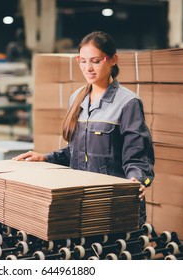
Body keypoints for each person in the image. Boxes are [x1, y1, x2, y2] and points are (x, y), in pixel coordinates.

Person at [12, 31, 155, 226]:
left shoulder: (128, 102)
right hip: (82, 199)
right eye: (83, 61)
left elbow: (139, 156)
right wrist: (45, 158)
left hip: (114, 203)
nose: (88, 68)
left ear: (112, 60)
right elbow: (76, 153)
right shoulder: (77, 98)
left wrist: (137, 180)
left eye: (96, 61)